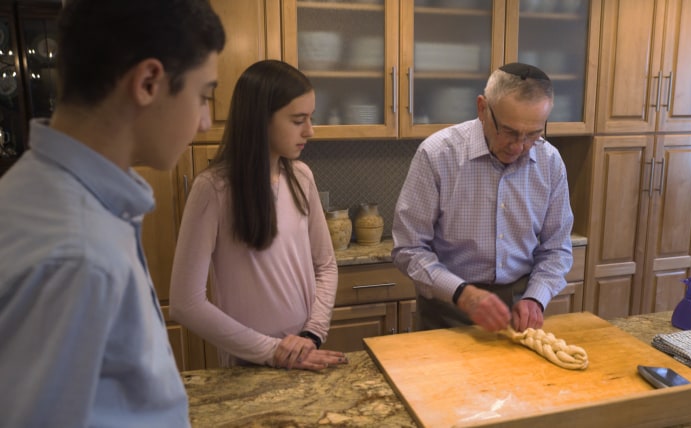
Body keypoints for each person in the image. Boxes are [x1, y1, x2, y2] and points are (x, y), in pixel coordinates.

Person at [0, 0, 225, 426]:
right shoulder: (77, 253)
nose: (205, 122)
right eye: (203, 96)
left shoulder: (45, 193)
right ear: (148, 82)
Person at [169, 60, 347, 371]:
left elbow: (326, 265)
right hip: (248, 363)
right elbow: (186, 303)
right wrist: (272, 350)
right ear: (259, 120)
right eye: (297, 120)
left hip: (305, 354)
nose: (310, 130)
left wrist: (312, 334)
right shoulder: (213, 189)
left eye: (310, 118)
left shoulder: (301, 177)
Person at [392, 63, 574, 334]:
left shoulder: (550, 162)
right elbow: (409, 249)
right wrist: (463, 294)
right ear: (482, 108)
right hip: (448, 309)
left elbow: (556, 249)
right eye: (510, 131)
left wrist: (536, 297)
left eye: (533, 134)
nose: (519, 146)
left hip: (518, 308)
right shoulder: (438, 154)